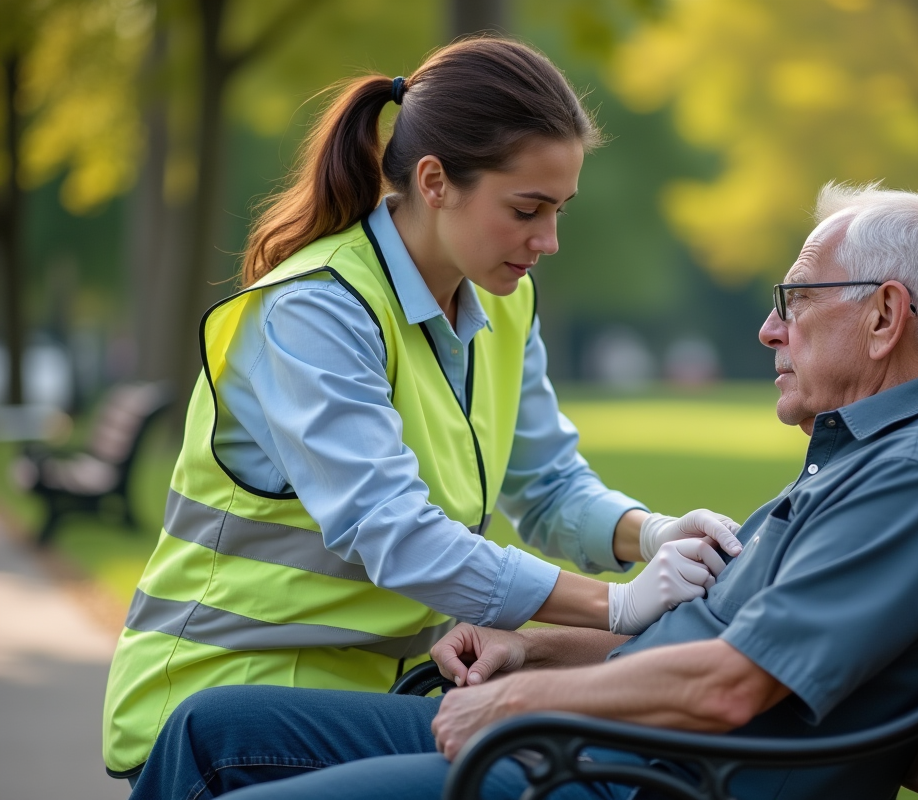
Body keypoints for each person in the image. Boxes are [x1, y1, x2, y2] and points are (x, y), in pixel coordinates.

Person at [123, 183, 918, 800]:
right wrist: (537, 653)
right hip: (606, 754)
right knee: (208, 730)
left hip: (626, 777)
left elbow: (725, 689)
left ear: (884, 316)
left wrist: (521, 704)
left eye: (795, 301)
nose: (768, 329)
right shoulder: (879, 455)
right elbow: (711, 643)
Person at [102, 37, 743, 783]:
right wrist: (616, 606)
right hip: (231, 708)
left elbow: (549, 487)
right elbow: (395, 533)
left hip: (391, 708)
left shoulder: (505, 302)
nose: (549, 241)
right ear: (435, 181)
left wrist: (653, 535)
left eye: (560, 210)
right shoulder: (314, 309)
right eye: (527, 210)